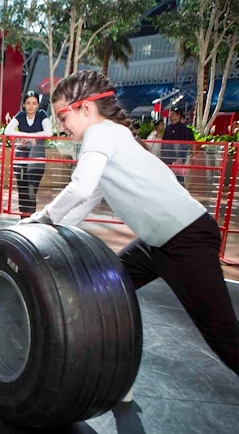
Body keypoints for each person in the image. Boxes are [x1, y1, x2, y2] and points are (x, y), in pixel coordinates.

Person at [21, 71, 238, 399]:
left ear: (85, 109)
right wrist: (49, 228)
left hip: (186, 237)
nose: (62, 125)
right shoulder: (109, 137)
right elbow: (86, 199)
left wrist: (41, 217)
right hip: (157, 243)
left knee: (222, 335)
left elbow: (79, 189)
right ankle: (118, 379)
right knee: (107, 294)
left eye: (63, 116)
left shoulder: (101, 133)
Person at [4, 91, 52, 216]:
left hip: (37, 158)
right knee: (22, 188)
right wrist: (28, 137)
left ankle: (30, 217)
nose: (31, 106)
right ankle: (23, 217)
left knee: (32, 189)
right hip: (21, 158)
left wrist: (31, 137)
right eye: (28, 103)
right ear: (24, 104)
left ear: (37, 105)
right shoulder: (20, 115)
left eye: (34, 103)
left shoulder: (42, 114)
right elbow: (7, 131)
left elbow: (48, 132)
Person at [161, 106, 194, 183]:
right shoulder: (168, 128)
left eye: (172, 114)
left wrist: (181, 156)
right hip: (167, 156)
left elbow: (185, 143)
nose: (170, 116)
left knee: (178, 177)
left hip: (178, 157)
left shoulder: (184, 129)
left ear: (178, 116)